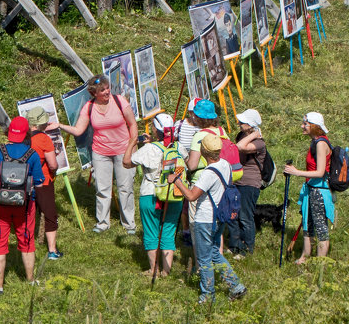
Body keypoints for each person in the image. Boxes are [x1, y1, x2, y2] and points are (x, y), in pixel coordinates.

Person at [169, 133, 247, 303]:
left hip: (205, 218)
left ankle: (207, 295)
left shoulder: (208, 174)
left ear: (203, 150)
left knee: (204, 258)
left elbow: (191, 196)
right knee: (213, 252)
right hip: (219, 216)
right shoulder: (225, 164)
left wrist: (177, 181)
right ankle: (236, 286)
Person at [58, 73, 138, 234]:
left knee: (125, 187)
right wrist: (59, 125)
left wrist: (131, 146)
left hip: (123, 150)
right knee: (102, 189)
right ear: (94, 93)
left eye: (108, 88)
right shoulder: (89, 107)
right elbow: (78, 130)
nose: (107, 92)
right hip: (100, 153)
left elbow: (133, 125)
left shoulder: (119, 101)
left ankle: (129, 223)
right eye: (103, 90)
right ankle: (102, 222)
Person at [0, 116, 46, 292]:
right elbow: (39, 182)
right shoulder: (33, 154)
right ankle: (30, 280)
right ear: (26, 133)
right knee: (27, 240)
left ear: (9, 132)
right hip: (25, 205)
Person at [124, 113, 185, 278]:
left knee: (151, 231)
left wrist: (131, 144)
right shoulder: (179, 148)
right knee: (168, 232)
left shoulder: (149, 149)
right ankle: (166, 271)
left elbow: (127, 162)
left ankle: (153, 269)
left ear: (155, 129)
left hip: (151, 194)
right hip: (173, 194)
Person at [284, 111, 334, 264]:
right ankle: (304, 258)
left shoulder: (321, 144)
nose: (302, 126)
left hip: (319, 190)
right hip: (311, 189)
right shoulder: (316, 142)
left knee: (320, 228)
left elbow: (320, 172)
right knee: (308, 225)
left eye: (305, 124)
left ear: (314, 126)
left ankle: (319, 263)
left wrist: (295, 172)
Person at [24, 106, 62, 260]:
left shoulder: (24, 139)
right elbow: (52, 164)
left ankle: (27, 244)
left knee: (28, 214)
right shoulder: (44, 139)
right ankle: (52, 250)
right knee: (50, 214)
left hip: (25, 183)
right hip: (43, 181)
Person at [228, 108, 267, 256]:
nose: (239, 123)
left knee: (245, 216)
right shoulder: (241, 135)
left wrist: (255, 135)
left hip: (250, 183)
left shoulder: (259, 143)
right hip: (237, 180)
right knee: (233, 215)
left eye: (243, 122)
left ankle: (247, 249)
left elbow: (240, 147)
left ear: (251, 125)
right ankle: (235, 245)